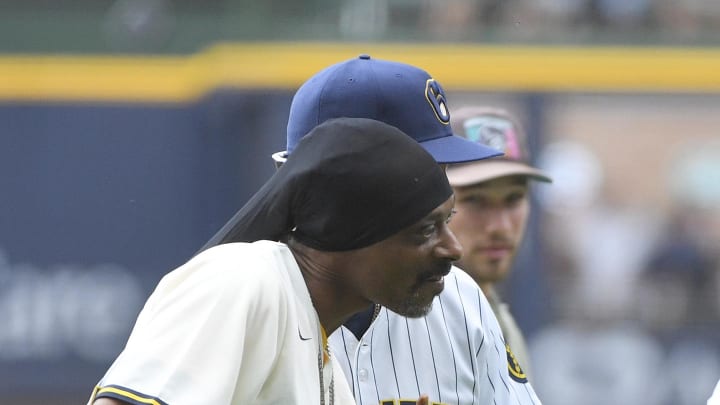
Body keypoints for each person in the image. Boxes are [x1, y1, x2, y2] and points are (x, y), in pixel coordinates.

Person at [88, 117, 462, 405]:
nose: (453, 248)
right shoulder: (245, 278)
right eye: (425, 229)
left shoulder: (326, 365)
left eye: (447, 222)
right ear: (350, 231)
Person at [245, 55, 542, 404]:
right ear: (343, 185)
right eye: (424, 173)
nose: (440, 193)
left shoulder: (462, 300)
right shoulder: (241, 301)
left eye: (443, 172)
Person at [444, 106, 552, 379]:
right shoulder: (406, 324)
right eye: (475, 200)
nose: (500, 227)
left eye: (514, 199)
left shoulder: (501, 322)